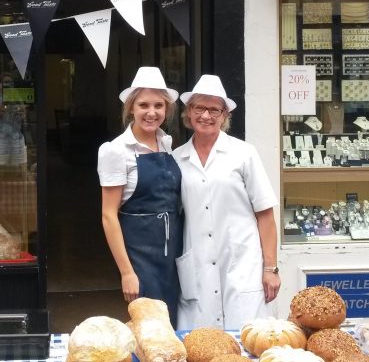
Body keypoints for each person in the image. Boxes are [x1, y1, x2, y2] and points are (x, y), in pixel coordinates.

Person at [173, 74, 280, 331]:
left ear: (224, 116)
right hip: (197, 266)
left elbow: (265, 214)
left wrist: (271, 268)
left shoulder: (244, 153)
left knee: (249, 344)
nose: (206, 116)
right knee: (200, 347)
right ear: (189, 112)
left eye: (214, 110)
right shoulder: (177, 158)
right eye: (199, 108)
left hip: (242, 265)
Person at [97, 66, 182, 325]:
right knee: (148, 326)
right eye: (144, 105)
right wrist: (127, 273)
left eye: (159, 105)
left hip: (173, 251)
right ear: (131, 108)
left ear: (166, 110)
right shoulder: (115, 151)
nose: (151, 112)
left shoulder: (167, 143)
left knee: (175, 321)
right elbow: (108, 216)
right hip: (140, 255)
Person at [0, 73, 27, 168]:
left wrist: (21, 109)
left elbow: (24, 117)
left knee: (16, 170)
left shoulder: (17, 96)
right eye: (6, 83)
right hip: (0, 139)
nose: (9, 85)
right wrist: (6, 99)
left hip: (16, 138)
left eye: (11, 83)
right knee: (0, 169)